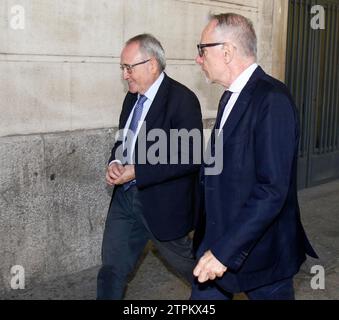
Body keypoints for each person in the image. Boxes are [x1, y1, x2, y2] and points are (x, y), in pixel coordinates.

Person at [191, 13, 318, 300]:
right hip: (219, 241)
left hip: (262, 255)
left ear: (226, 51)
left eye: (202, 49)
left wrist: (225, 252)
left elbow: (272, 189)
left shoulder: (272, 99)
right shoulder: (230, 95)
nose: (198, 59)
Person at [97, 34, 203, 299]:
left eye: (128, 67)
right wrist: (115, 163)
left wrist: (138, 170)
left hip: (161, 205)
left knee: (193, 270)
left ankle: (217, 295)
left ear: (152, 64)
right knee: (112, 267)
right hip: (124, 201)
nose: (125, 75)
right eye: (122, 68)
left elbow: (188, 156)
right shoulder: (131, 98)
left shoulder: (182, 99)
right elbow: (123, 140)